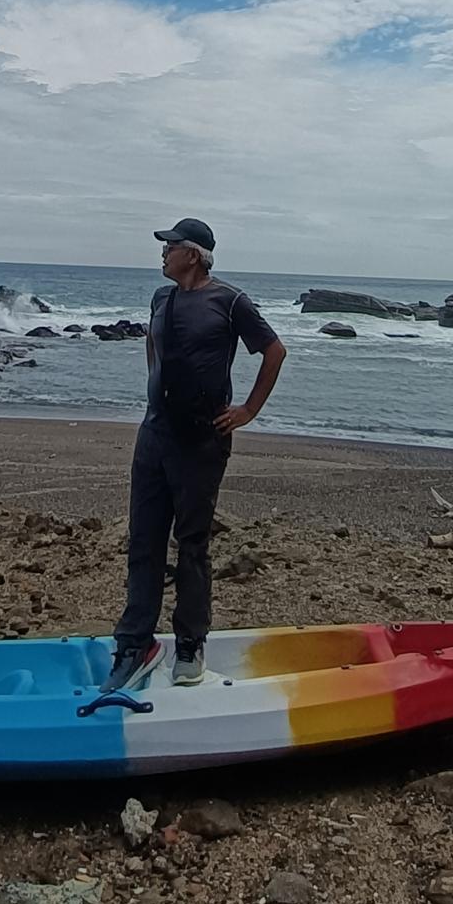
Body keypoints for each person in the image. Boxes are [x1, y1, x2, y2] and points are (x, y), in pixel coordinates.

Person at [102, 216, 287, 692]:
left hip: (201, 441)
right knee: (143, 541)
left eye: (170, 247)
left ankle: (190, 644)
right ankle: (136, 645)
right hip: (154, 436)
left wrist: (247, 410)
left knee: (192, 544)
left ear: (193, 255)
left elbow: (274, 351)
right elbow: (153, 343)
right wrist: (158, 393)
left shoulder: (230, 301)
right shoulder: (161, 298)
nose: (162, 254)